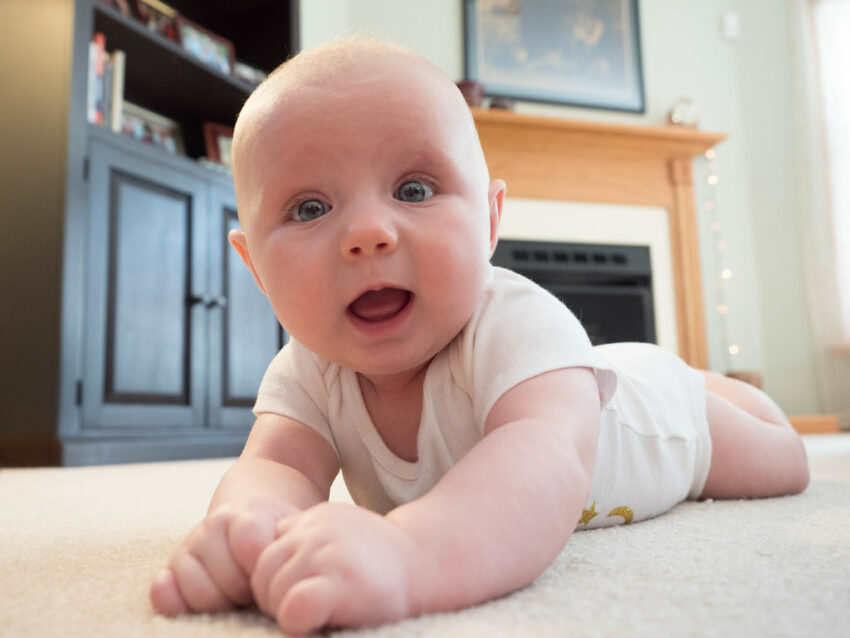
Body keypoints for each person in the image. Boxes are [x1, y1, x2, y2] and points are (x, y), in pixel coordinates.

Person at [149, 38, 809, 635]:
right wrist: (247, 531)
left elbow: (541, 462)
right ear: (254, 267)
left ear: (490, 221)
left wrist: (412, 554)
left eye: (413, 188)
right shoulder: (306, 371)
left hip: (656, 419)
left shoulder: (518, 321)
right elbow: (276, 467)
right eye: (311, 208)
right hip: (579, 374)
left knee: (784, 464)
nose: (367, 232)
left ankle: (707, 384)